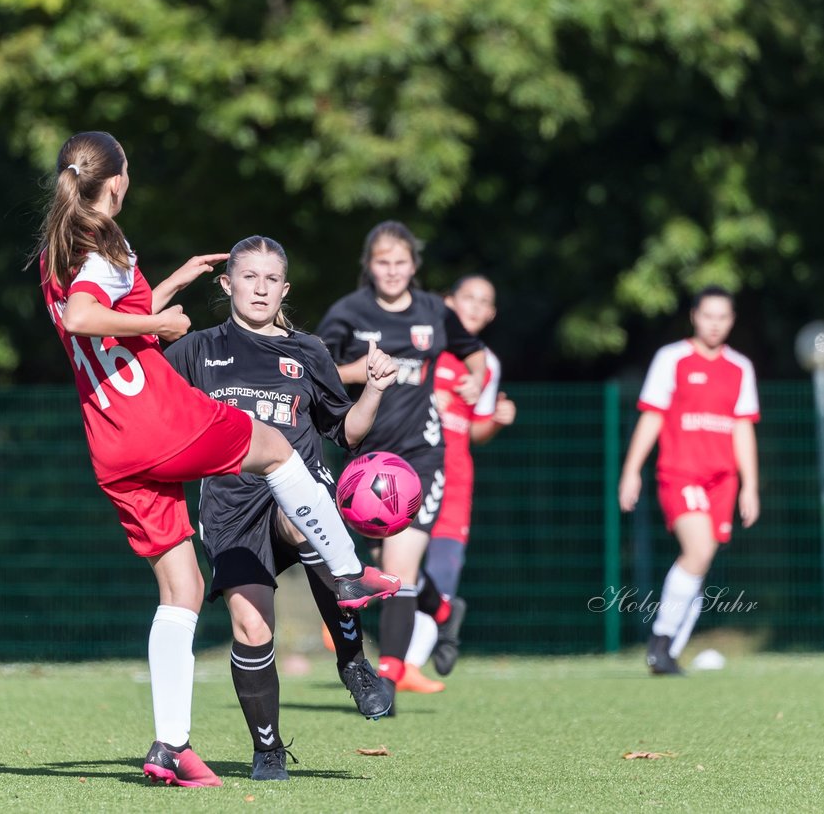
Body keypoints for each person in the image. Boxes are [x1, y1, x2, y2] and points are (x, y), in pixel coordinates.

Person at [32, 132, 400, 787]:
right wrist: (168, 327)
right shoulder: (104, 244)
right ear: (114, 182)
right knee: (274, 446)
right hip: (152, 418)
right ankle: (345, 573)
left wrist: (168, 285)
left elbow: (102, 312)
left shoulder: (57, 248)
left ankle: (170, 747)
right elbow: (87, 318)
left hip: (109, 441)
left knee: (183, 589)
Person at [166, 235, 399, 781]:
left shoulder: (308, 351)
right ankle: (267, 749)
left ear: (285, 289)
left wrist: (376, 390)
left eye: (272, 279)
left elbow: (346, 431)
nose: (261, 288)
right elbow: (132, 371)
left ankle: (353, 663)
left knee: (302, 521)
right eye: (249, 277)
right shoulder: (198, 350)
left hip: (297, 494)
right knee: (251, 627)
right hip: (228, 507)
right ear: (227, 285)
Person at [317, 220, 486, 708]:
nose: (392, 271)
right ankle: (443, 609)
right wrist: (363, 371)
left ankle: (387, 682)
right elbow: (320, 369)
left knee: (397, 565)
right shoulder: (349, 313)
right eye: (382, 262)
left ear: (414, 265)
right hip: (364, 456)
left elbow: (472, 353)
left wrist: (475, 383)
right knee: (382, 562)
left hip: (420, 456)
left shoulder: (435, 310)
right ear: (369, 266)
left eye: (401, 262)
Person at [618, 285, 760, 675]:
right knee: (697, 552)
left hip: (722, 481)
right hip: (680, 473)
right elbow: (653, 415)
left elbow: (742, 427)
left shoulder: (739, 368)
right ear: (694, 316)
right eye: (708, 316)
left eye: (723, 317)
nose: (715, 324)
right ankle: (660, 640)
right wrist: (631, 470)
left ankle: (668, 653)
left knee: (703, 560)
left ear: (731, 321)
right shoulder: (673, 359)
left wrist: (749, 484)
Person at [404, 275, 517, 678]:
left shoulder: (488, 363)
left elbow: (475, 430)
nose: (473, 306)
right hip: (407, 470)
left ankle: (407, 667)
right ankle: (442, 616)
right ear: (447, 301)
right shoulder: (421, 343)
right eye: (466, 297)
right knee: (393, 563)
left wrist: (498, 421)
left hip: (454, 478)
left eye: (482, 302)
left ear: (490, 314)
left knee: (443, 567)